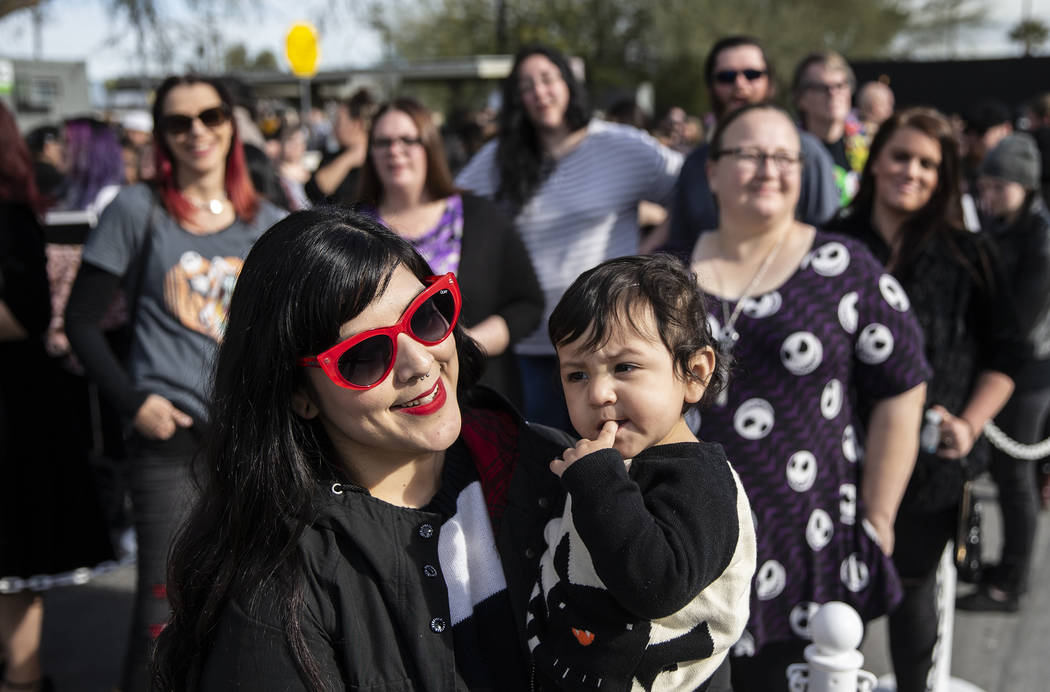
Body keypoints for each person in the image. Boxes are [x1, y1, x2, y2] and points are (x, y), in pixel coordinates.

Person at [152, 209, 577, 690]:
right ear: (300, 394)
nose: (419, 362)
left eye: (425, 315)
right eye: (365, 355)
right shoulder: (278, 589)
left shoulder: (554, 466)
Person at [688, 103, 929, 691]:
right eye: (749, 154)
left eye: (784, 156)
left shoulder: (844, 267)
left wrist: (880, 513)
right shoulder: (661, 276)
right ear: (713, 172)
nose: (768, 168)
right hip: (690, 547)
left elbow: (904, 383)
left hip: (808, 546)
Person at [64, 74, 285, 691]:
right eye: (179, 122)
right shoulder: (138, 209)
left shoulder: (266, 218)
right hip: (169, 438)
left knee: (251, 607)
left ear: (231, 124)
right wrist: (134, 403)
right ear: (161, 135)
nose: (197, 132)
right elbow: (80, 320)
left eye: (210, 116)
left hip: (251, 437)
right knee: (162, 616)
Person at [828, 107, 1016, 691]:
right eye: (901, 156)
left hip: (929, 462)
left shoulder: (969, 254)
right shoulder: (830, 243)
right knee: (831, 606)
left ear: (945, 176)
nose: (912, 171)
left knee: (911, 598)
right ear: (877, 159)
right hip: (828, 456)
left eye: (929, 163)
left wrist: (970, 422)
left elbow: (1007, 359)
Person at [527, 254, 755, 691]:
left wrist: (597, 482)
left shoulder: (700, 480)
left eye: (624, 367)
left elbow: (657, 585)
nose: (597, 392)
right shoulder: (603, 463)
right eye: (576, 374)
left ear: (695, 372)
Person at [456, 43, 683, 428]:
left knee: (615, 456)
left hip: (613, 336)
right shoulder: (499, 158)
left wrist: (647, 253)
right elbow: (449, 208)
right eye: (526, 86)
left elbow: (690, 194)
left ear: (569, 82)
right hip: (533, 343)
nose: (539, 92)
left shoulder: (621, 145)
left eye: (547, 79)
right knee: (545, 463)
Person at [1, 99, 113, 692]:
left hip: (14, 409)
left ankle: (23, 680)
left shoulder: (12, 214)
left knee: (15, 561)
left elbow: (28, 314)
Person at [357, 98, 543, 408]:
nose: (395, 150)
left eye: (408, 140)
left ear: (429, 145)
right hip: (385, 400)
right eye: (383, 142)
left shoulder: (481, 217)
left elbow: (527, 304)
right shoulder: (353, 229)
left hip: (479, 395)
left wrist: (467, 345)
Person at [955, 132, 1050, 613]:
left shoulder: (1039, 236)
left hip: (1030, 371)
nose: (988, 197)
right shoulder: (1004, 226)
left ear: (1025, 186)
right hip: (1008, 365)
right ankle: (1003, 567)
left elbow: (1022, 316)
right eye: (985, 186)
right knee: (1007, 473)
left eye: (999, 187)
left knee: (1015, 476)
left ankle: (1010, 584)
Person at [665, 36, 840, 261]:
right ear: (711, 87)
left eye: (752, 75)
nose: (740, 84)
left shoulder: (807, 152)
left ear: (771, 83)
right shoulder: (696, 164)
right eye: (726, 77)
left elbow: (829, 239)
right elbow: (680, 250)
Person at [793, 51, 868, 205]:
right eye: (821, 87)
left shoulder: (870, 144)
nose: (833, 94)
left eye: (840, 85)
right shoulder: (789, 149)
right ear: (800, 98)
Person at [305, 89, 376, 204]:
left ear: (357, 124)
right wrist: (349, 159)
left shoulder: (378, 159)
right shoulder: (332, 157)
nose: (334, 128)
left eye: (339, 121)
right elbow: (314, 192)